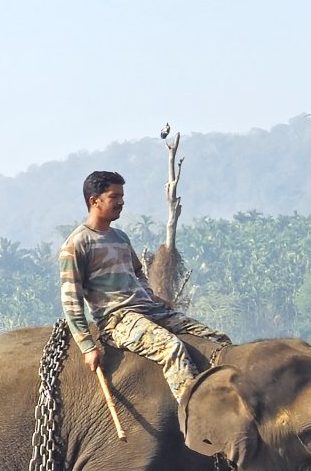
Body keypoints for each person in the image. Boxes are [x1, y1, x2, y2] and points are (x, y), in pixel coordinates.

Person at [59, 171, 230, 402]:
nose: (121, 202)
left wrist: (148, 295)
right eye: (114, 196)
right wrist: (88, 347)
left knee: (218, 339)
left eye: (122, 196)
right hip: (117, 319)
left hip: (149, 310)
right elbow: (71, 301)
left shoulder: (120, 237)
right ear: (94, 201)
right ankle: (196, 417)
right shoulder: (77, 244)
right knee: (172, 349)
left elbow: (138, 271)